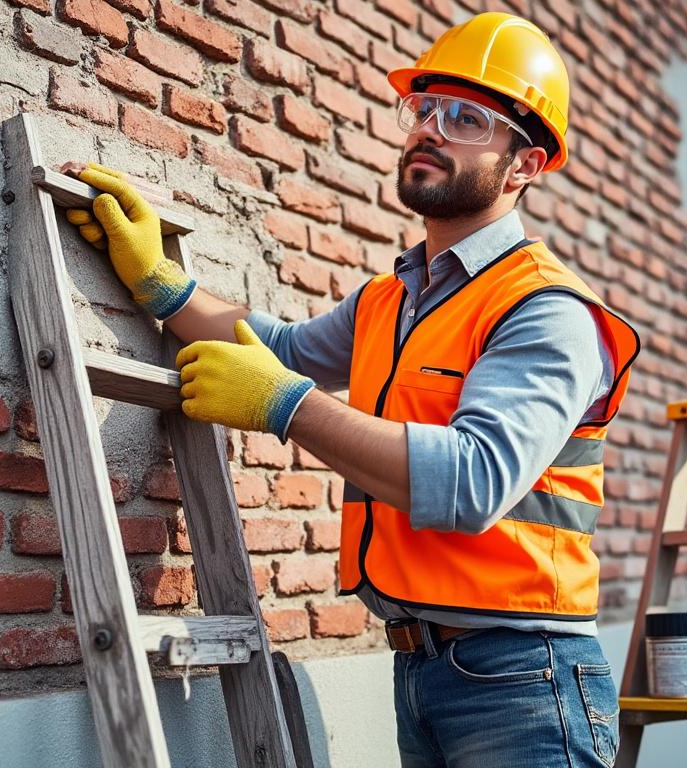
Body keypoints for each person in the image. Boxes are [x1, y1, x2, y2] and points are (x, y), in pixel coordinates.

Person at [65, 12, 640, 767]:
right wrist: (161, 285)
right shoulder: (390, 299)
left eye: (467, 118)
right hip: (419, 668)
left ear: (525, 166)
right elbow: (277, 350)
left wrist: (284, 406)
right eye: (424, 109)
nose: (431, 129)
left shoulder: (547, 311)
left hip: (526, 681)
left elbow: (472, 481)